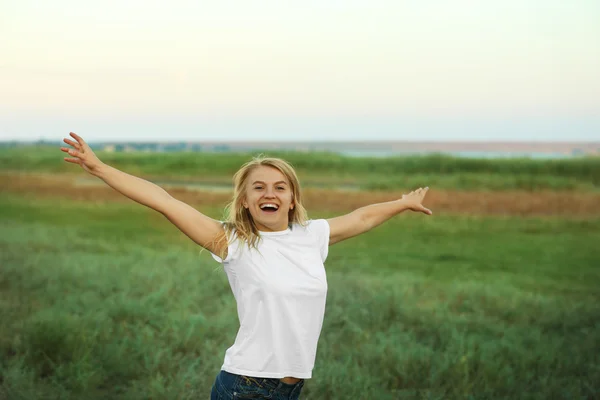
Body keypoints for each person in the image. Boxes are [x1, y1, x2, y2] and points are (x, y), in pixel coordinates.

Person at [60, 132, 432, 399]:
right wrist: (98, 167)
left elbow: (362, 217)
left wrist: (401, 203)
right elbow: (163, 200)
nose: (269, 193)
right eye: (258, 187)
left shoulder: (311, 235)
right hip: (246, 387)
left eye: (279, 187)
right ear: (245, 201)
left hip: (292, 387)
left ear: (291, 199)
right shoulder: (232, 242)